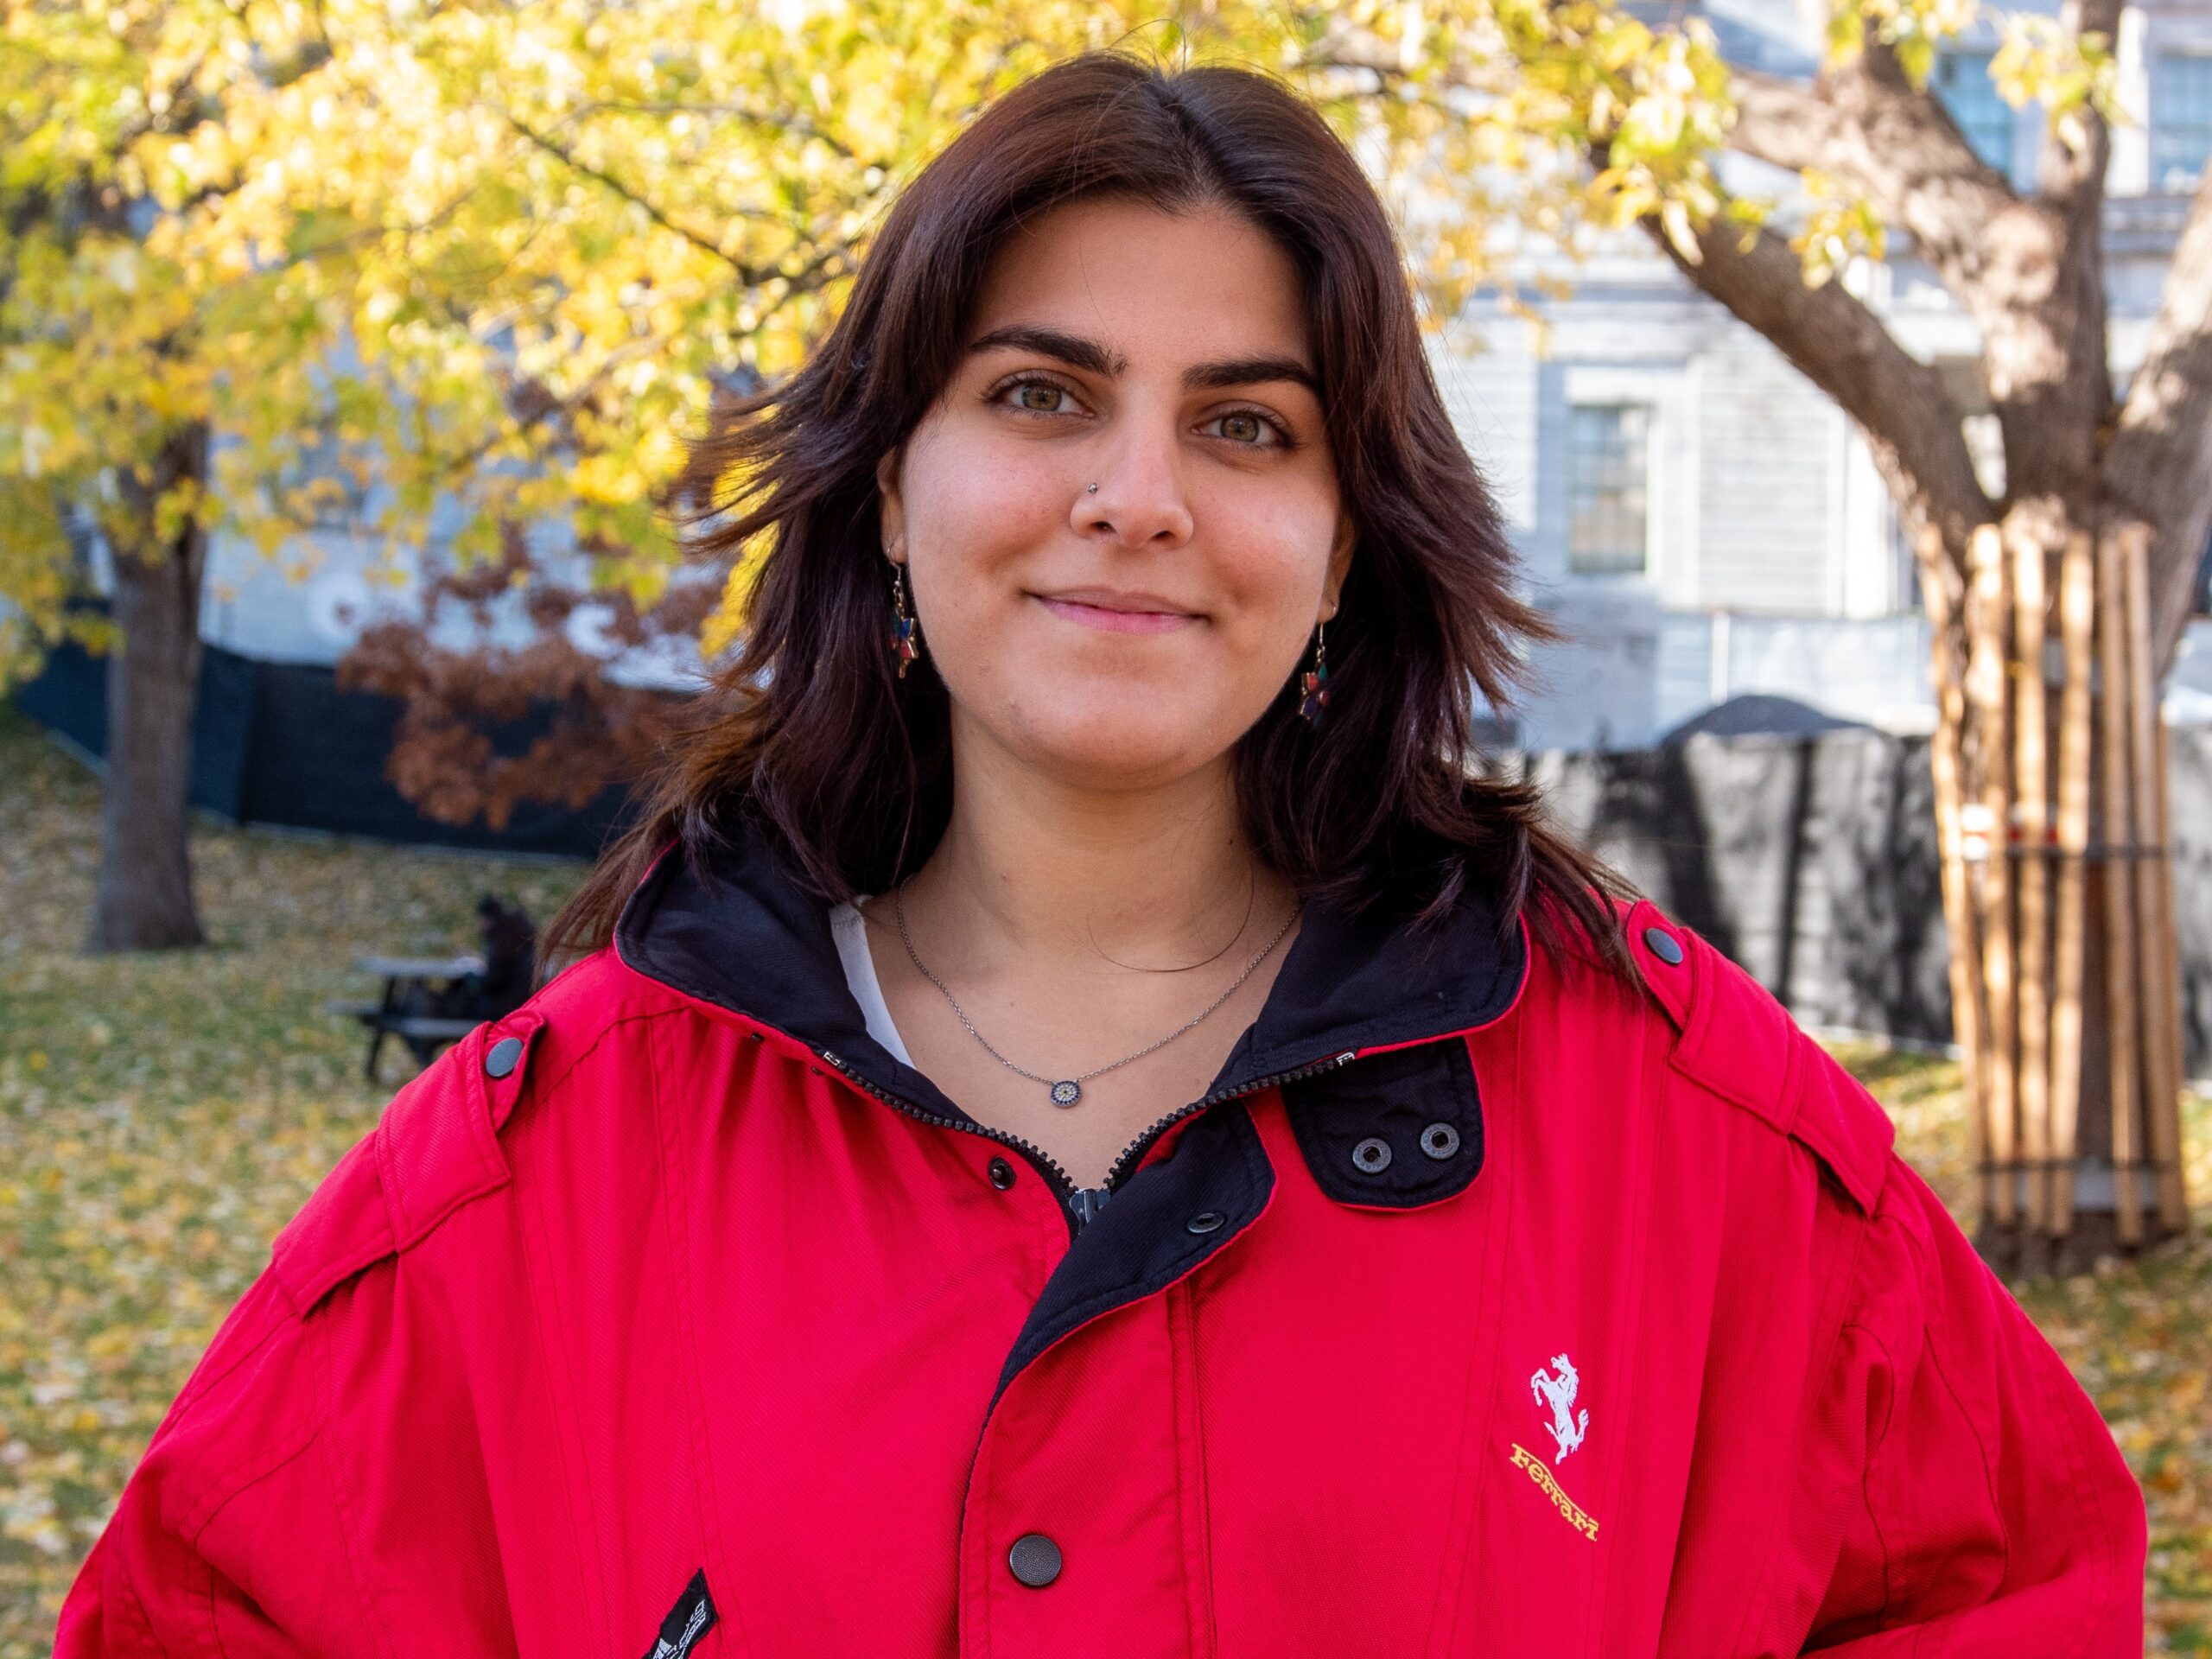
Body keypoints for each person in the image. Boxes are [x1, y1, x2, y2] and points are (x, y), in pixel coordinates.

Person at [59, 53, 2144, 1658]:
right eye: (1042, 394)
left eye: (1246, 424)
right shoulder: (548, 1166)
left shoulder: (1671, 1123)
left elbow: (2002, 1578)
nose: (1135, 494)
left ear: (1345, 546)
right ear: (889, 488)